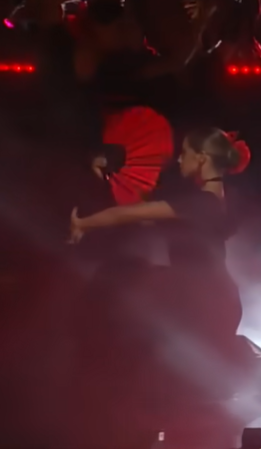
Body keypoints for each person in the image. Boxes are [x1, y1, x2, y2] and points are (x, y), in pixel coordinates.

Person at [69, 128, 248, 399]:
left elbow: (126, 215)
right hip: (212, 298)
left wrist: (83, 223)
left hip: (201, 302)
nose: (179, 160)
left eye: (185, 153)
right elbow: (141, 216)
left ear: (201, 159)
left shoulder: (201, 203)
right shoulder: (221, 200)